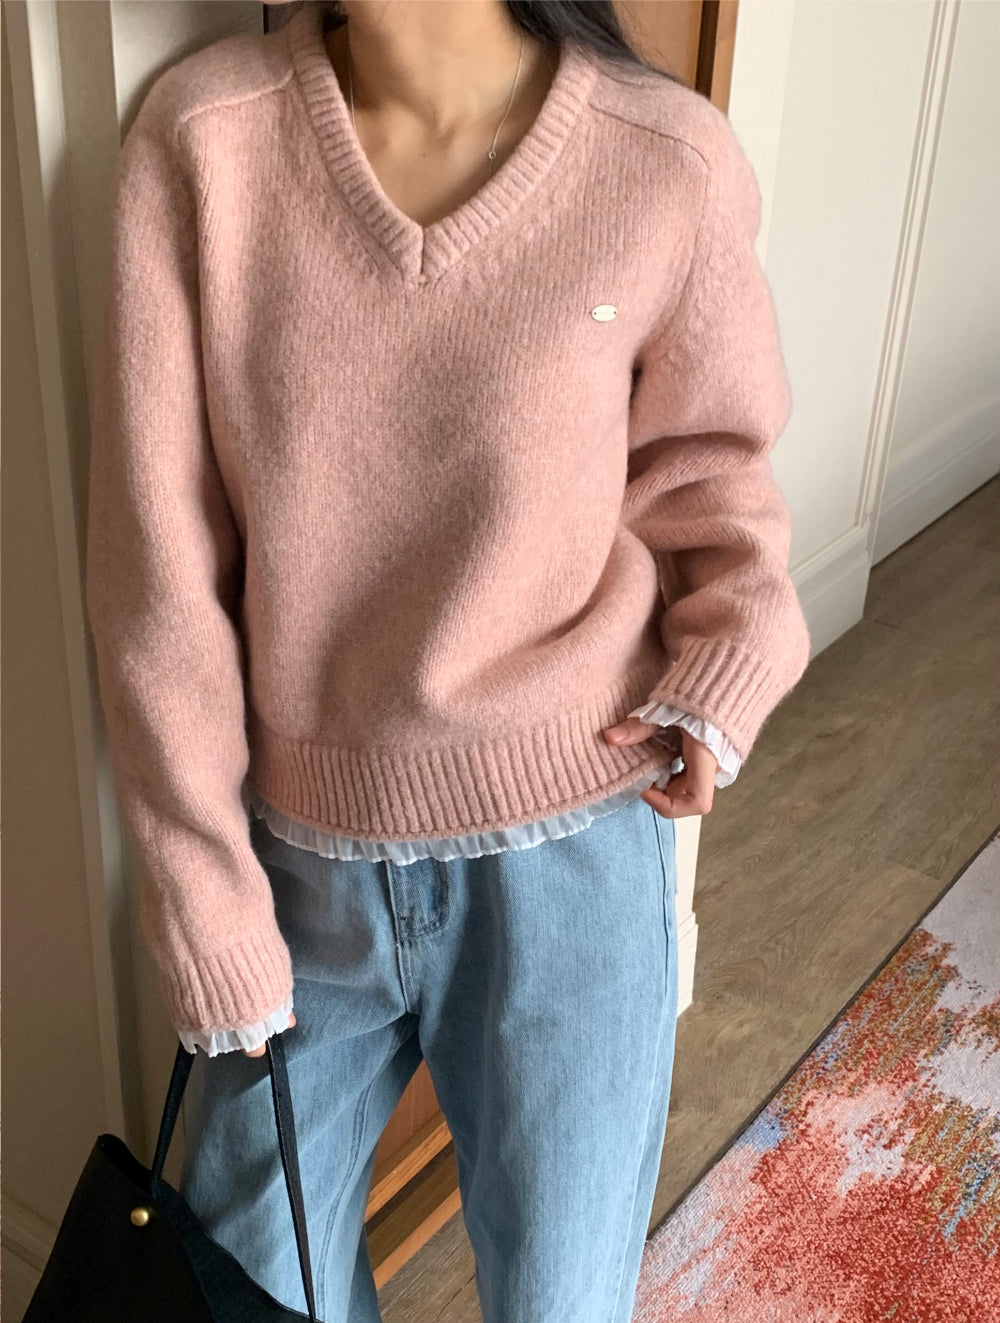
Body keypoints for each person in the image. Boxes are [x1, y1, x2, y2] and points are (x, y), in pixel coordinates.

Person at [83, 1, 811, 1319]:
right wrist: (198, 890)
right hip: (294, 877)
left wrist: (723, 674)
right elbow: (156, 574)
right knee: (243, 1284)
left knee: (560, 1298)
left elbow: (714, 475)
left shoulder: (663, 157)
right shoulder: (204, 143)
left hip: (574, 862)